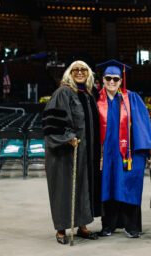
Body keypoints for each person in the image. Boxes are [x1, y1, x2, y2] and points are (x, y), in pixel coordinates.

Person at [96, 59, 151, 238]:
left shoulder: (131, 98)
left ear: (121, 80)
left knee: (129, 186)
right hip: (105, 154)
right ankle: (108, 225)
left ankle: (131, 226)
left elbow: (142, 122)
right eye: (108, 78)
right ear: (103, 79)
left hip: (128, 153)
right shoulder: (96, 99)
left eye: (116, 79)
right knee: (108, 187)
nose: (112, 82)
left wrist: (150, 146)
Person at [42, 60, 101, 245]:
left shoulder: (88, 95)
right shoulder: (63, 92)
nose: (80, 72)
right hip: (65, 152)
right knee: (64, 189)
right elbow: (52, 122)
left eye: (84, 69)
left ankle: (82, 226)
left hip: (85, 152)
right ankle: (61, 229)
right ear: (69, 72)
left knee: (83, 187)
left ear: (89, 73)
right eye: (76, 69)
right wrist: (68, 137)